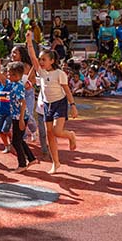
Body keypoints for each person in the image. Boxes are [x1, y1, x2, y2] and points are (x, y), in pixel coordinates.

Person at [27, 30, 78, 174]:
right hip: (47, 104)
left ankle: (70, 135)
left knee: (57, 131)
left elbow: (67, 91)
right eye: (40, 59)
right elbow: (32, 57)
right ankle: (56, 163)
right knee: (50, 134)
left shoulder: (60, 74)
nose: (41, 62)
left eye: (44, 60)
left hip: (60, 103)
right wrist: (29, 42)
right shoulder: (41, 72)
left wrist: (73, 106)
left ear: (52, 61)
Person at [7, 62, 39, 173]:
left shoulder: (18, 86)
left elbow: (23, 103)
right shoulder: (15, 84)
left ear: (16, 76)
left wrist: (21, 119)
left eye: (10, 74)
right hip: (17, 116)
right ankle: (31, 158)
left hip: (19, 117)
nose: (8, 76)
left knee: (16, 141)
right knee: (19, 139)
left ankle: (22, 164)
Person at [10, 46, 38, 142]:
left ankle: (34, 130)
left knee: (28, 115)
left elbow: (33, 79)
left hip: (27, 93)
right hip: (15, 94)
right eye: (12, 53)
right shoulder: (10, 66)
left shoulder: (26, 66)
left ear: (21, 54)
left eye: (15, 53)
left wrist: (29, 84)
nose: (12, 55)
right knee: (17, 116)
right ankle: (23, 137)